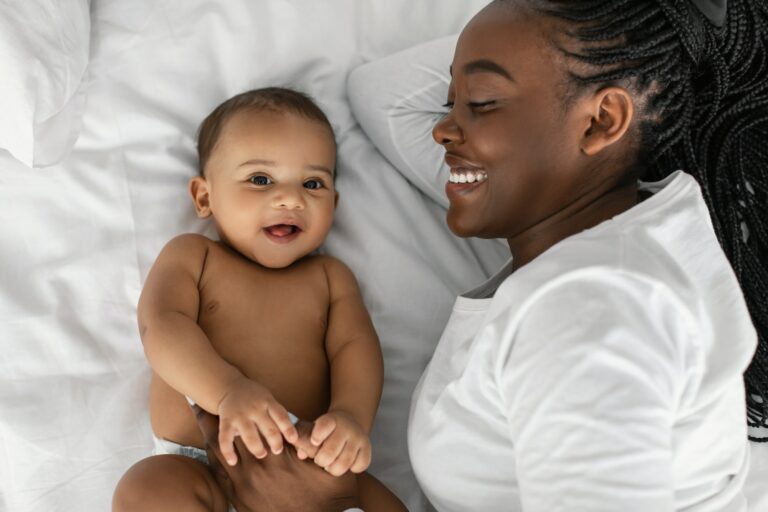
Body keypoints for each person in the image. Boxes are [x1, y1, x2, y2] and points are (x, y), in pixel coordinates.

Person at [195, 0, 768, 510]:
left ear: (601, 121)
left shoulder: (590, 316)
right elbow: (384, 96)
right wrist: (623, 39)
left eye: (483, 102)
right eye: (452, 102)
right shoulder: (585, 218)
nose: (442, 129)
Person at [111, 87, 406, 512]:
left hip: (309, 470)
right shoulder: (194, 256)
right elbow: (161, 325)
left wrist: (351, 417)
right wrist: (227, 392)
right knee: (146, 487)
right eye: (261, 179)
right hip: (202, 465)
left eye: (313, 183)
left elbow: (355, 349)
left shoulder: (331, 278)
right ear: (205, 197)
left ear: (334, 203)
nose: (291, 198)